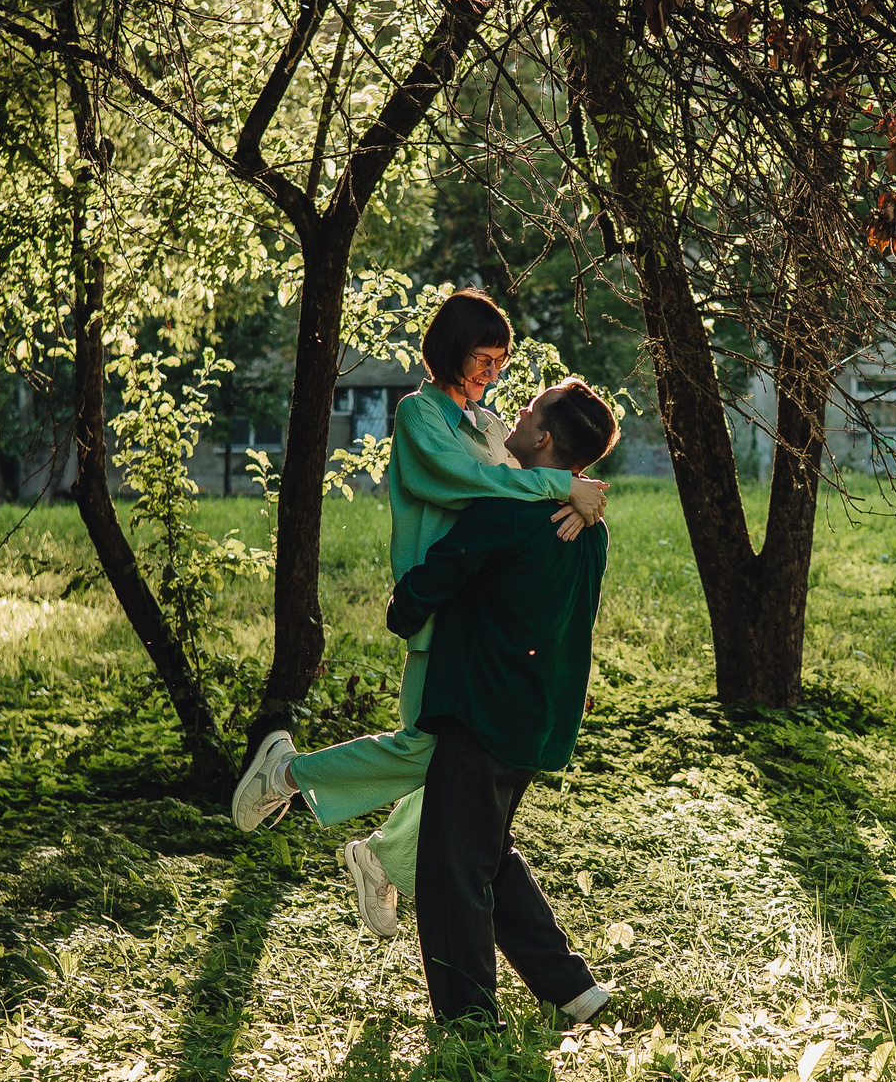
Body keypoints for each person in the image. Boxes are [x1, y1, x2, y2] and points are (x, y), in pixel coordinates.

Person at [229, 292, 605, 938]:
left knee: (444, 761)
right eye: (480, 357)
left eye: (500, 360)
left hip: (479, 621)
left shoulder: (487, 425)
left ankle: (371, 849)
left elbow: (535, 489)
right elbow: (470, 485)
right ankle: (289, 775)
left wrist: (587, 498)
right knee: (429, 753)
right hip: (438, 607)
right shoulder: (420, 416)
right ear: (448, 350)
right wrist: (560, 486)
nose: (491, 371)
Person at [384, 381, 622, 1025]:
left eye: (527, 413)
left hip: (481, 708)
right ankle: (572, 989)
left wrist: (403, 607)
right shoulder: (589, 529)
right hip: (538, 715)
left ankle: (470, 1020)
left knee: (452, 872)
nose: (514, 417)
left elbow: (422, 594)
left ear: (542, 438)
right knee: (484, 849)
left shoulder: (501, 512)